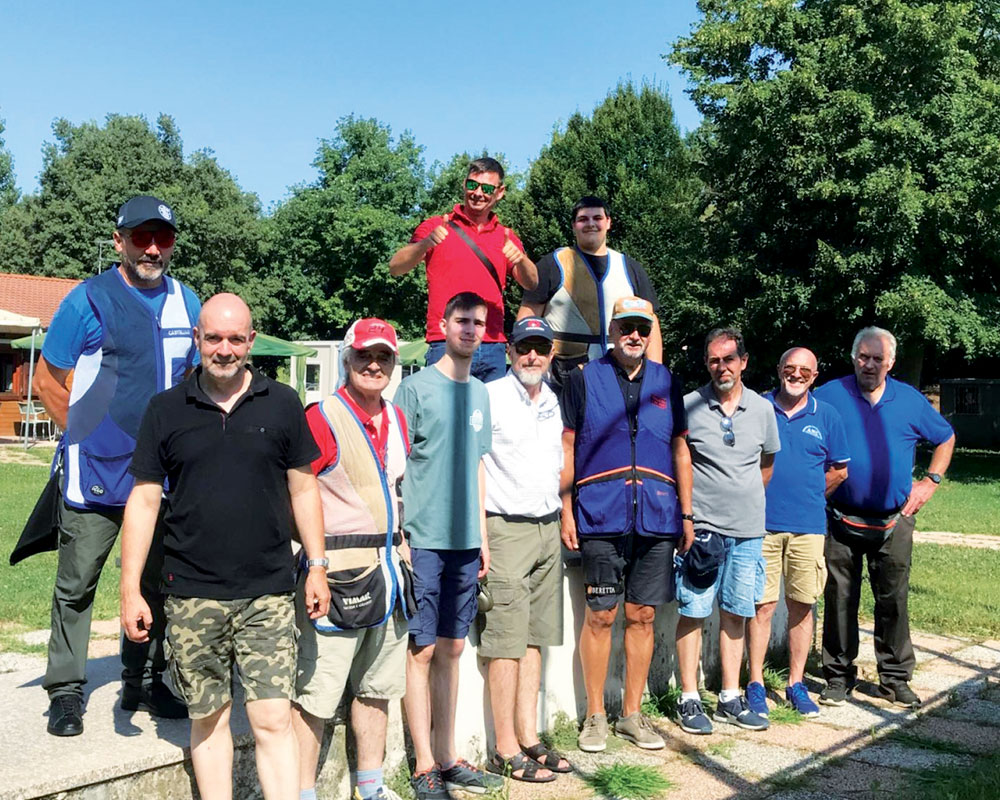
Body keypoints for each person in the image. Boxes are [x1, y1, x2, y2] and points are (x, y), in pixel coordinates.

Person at [120, 294, 331, 800]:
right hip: (192, 593)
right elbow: (145, 500)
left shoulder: (281, 403)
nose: (225, 349)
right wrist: (130, 588)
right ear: (197, 339)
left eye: (236, 339)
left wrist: (318, 566)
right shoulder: (165, 409)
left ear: (251, 342)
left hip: (269, 592)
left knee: (273, 719)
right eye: (214, 337)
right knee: (208, 720)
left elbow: (304, 488)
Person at [33, 195, 199, 736]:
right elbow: (45, 382)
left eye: (163, 238)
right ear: (119, 241)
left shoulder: (187, 303)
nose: (152, 247)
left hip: (161, 478)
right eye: (141, 237)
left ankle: (145, 682)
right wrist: (88, 435)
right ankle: (65, 690)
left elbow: (195, 381)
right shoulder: (87, 300)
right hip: (95, 475)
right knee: (77, 584)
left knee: (159, 585)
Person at [560, 297, 694, 753]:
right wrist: (565, 507)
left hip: (657, 516)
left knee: (643, 616)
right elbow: (568, 444)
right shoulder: (583, 379)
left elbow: (680, 450)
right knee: (600, 615)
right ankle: (596, 715)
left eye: (642, 327)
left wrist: (687, 514)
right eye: (625, 327)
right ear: (612, 331)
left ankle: (632, 715)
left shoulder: (667, 382)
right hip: (600, 514)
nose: (633, 335)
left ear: (650, 332)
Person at [292, 318, 413, 800]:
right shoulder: (321, 416)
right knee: (315, 697)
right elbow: (298, 493)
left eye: (383, 357)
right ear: (347, 360)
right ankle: (301, 792)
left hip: (388, 576)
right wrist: (313, 567)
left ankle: (372, 785)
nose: (374, 365)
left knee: (377, 688)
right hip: (336, 576)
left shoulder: (397, 419)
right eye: (364, 355)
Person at [394, 292, 502, 799]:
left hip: (464, 541)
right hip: (424, 538)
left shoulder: (481, 394)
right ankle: (422, 766)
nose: (471, 329)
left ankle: (448, 754)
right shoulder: (414, 389)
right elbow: (396, 467)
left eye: (479, 323)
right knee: (423, 648)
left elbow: (479, 466)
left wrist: (481, 536)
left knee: (454, 649)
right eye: (462, 320)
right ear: (442, 324)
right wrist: (401, 535)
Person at [815, 327, 955, 709]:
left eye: (878, 358)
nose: (870, 364)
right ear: (854, 357)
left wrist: (930, 482)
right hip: (839, 518)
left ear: (890, 362)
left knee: (893, 600)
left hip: (895, 521)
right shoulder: (828, 395)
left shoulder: (909, 400)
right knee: (840, 597)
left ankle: (894, 678)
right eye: (864, 356)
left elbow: (945, 437)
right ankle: (838, 677)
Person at [675, 327, 780, 735]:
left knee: (737, 611)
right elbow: (680, 461)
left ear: (744, 362)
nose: (723, 367)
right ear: (707, 363)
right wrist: (689, 516)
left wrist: (744, 498)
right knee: (694, 610)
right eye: (715, 360)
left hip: (749, 530)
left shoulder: (763, 409)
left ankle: (730, 696)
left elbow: (766, 463)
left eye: (729, 359)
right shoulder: (689, 406)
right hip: (703, 530)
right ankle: (689, 698)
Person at [478, 317, 569, 783]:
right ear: (510, 351)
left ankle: (529, 737)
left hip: (546, 525)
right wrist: (480, 534)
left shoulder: (554, 401)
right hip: (505, 527)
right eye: (523, 348)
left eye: (540, 348)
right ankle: (504, 748)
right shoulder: (490, 395)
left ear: (551, 353)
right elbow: (473, 464)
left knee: (535, 639)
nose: (532, 356)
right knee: (505, 643)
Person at [745, 347, 850, 719]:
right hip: (760, 525)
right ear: (778, 369)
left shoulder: (828, 416)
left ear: (815, 375)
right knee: (762, 605)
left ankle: (796, 683)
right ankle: (755, 683)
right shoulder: (756, 407)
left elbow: (839, 470)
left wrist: (808, 494)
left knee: (802, 605)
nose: (796, 374)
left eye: (805, 370)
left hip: (808, 528)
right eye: (790, 368)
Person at [389, 157, 538, 383]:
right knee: (443, 417)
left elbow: (532, 283)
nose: (478, 193)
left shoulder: (506, 236)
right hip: (446, 342)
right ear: (464, 184)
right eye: (472, 185)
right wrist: (426, 243)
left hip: (491, 345)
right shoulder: (436, 225)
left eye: (487, 188)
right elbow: (396, 267)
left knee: (490, 418)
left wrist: (522, 260)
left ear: (500, 192)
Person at [518, 196, 662, 390]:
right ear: (573, 225)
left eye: (597, 218)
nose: (591, 224)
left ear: (608, 223)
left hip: (619, 376)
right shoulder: (553, 264)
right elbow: (527, 318)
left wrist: (655, 376)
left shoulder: (630, 268)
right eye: (583, 219)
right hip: (562, 376)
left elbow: (651, 324)